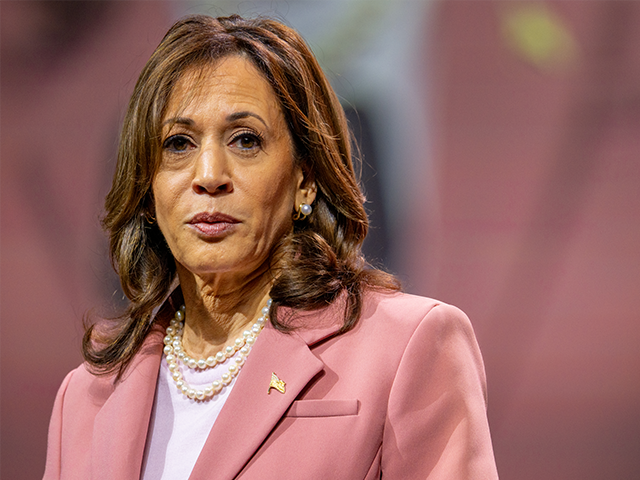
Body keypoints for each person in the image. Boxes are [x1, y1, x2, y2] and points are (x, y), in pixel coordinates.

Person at [43, 14, 498, 480]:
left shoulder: (410, 346)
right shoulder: (85, 398)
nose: (209, 176)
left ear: (305, 179)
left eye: (245, 140)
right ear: (147, 186)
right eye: (178, 144)